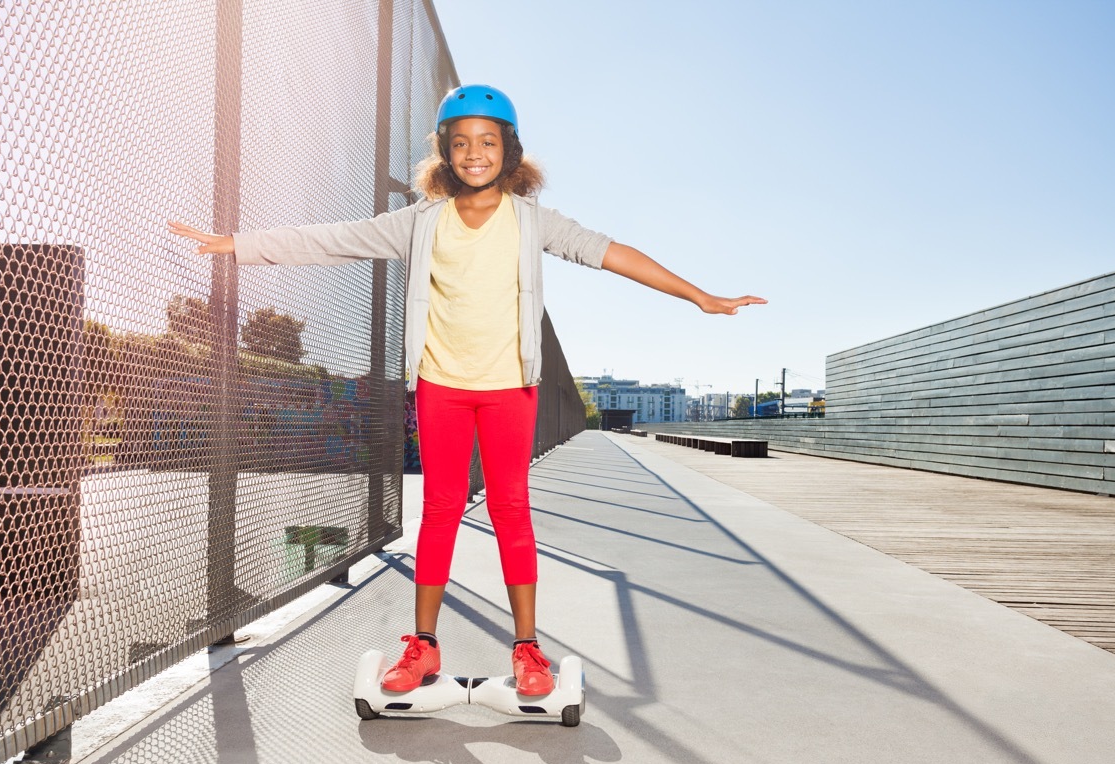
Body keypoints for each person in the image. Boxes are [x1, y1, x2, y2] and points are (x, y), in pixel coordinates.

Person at [170, 84, 765, 696]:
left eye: (487, 141)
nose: (473, 153)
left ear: (509, 149)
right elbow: (336, 238)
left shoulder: (534, 221)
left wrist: (698, 294)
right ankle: (423, 646)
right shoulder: (421, 221)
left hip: (510, 388)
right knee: (440, 511)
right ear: (444, 152)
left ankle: (529, 651)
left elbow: (611, 253)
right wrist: (240, 245)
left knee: (511, 510)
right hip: (441, 387)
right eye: (460, 143)